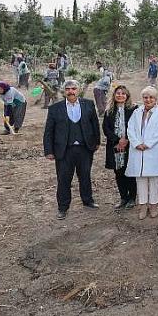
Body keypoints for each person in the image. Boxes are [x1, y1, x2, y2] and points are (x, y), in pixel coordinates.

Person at [44, 79, 102, 219]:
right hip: (64, 150)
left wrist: (97, 142)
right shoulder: (55, 108)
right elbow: (49, 131)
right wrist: (49, 150)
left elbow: (95, 125)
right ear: (64, 91)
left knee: (85, 176)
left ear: (79, 90)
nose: (71, 91)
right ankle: (63, 207)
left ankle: (88, 201)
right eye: (68, 89)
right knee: (63, 179)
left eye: (74, 88)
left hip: (85, 148)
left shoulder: (88, 104)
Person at [126, 86, 158, 219]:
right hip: (138, 150)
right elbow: (130, 128)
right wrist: (137, 143)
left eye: (151, 97)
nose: (148, 99)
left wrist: (147, 144)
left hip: (153, 150)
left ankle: (154, 204)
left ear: (155, 99)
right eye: (145, 97)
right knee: (141, 178)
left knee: (155, 178)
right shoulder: (137, 112)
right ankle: (143, 205)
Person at [102, 85, 138, 210]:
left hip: (130, 145)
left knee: (130, 172)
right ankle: (123, 197)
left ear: (127, 95)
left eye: (123, 93)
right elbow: (106, 128)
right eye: (118, 93)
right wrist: (117, 141)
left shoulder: (134, 109)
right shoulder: (109, 111)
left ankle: (132, 198)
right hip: (114, 145)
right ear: (114, 95)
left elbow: (136, 126)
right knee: (118, 172)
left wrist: (126, 139)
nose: (120, 95)